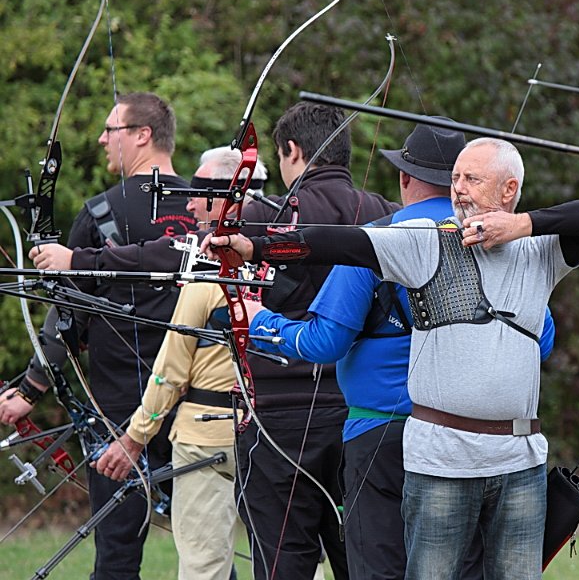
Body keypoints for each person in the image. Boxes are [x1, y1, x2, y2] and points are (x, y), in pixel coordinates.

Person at [204, 137, 579, 579]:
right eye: (455, 177)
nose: (458, 188)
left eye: (472, 178)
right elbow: (339, 244)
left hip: (519, 461)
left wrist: (521, 226)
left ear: (509, 189)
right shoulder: (426, 240)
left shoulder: (539, 251)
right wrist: (255, 247)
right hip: (441, 456)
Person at [30, 101, 397, 580]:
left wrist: (78, 261)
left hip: (274, 420)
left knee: (281, 558)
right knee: (361, 557)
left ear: (291, 151)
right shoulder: (386, 216)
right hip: (360, 417)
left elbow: (176, 256)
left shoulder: (263, 221)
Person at [0, 91, 197, 579]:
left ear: (142, 135)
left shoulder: (101, 211)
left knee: (117, 558)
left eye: (112, 130)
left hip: (120, 413)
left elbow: (68, 316)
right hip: (195, 404)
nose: (102, 139)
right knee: (204, 549)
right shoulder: (205, 208)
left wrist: (30, 391)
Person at [93, 146, 267, 580]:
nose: (188, 205)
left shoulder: (208, 274)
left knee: (203, 567)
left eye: (198, 195)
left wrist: (134, 439)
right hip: (275, 436)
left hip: (205, 439)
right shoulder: (286, 267)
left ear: (227, 201)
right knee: (290, 561)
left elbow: (170, 372)